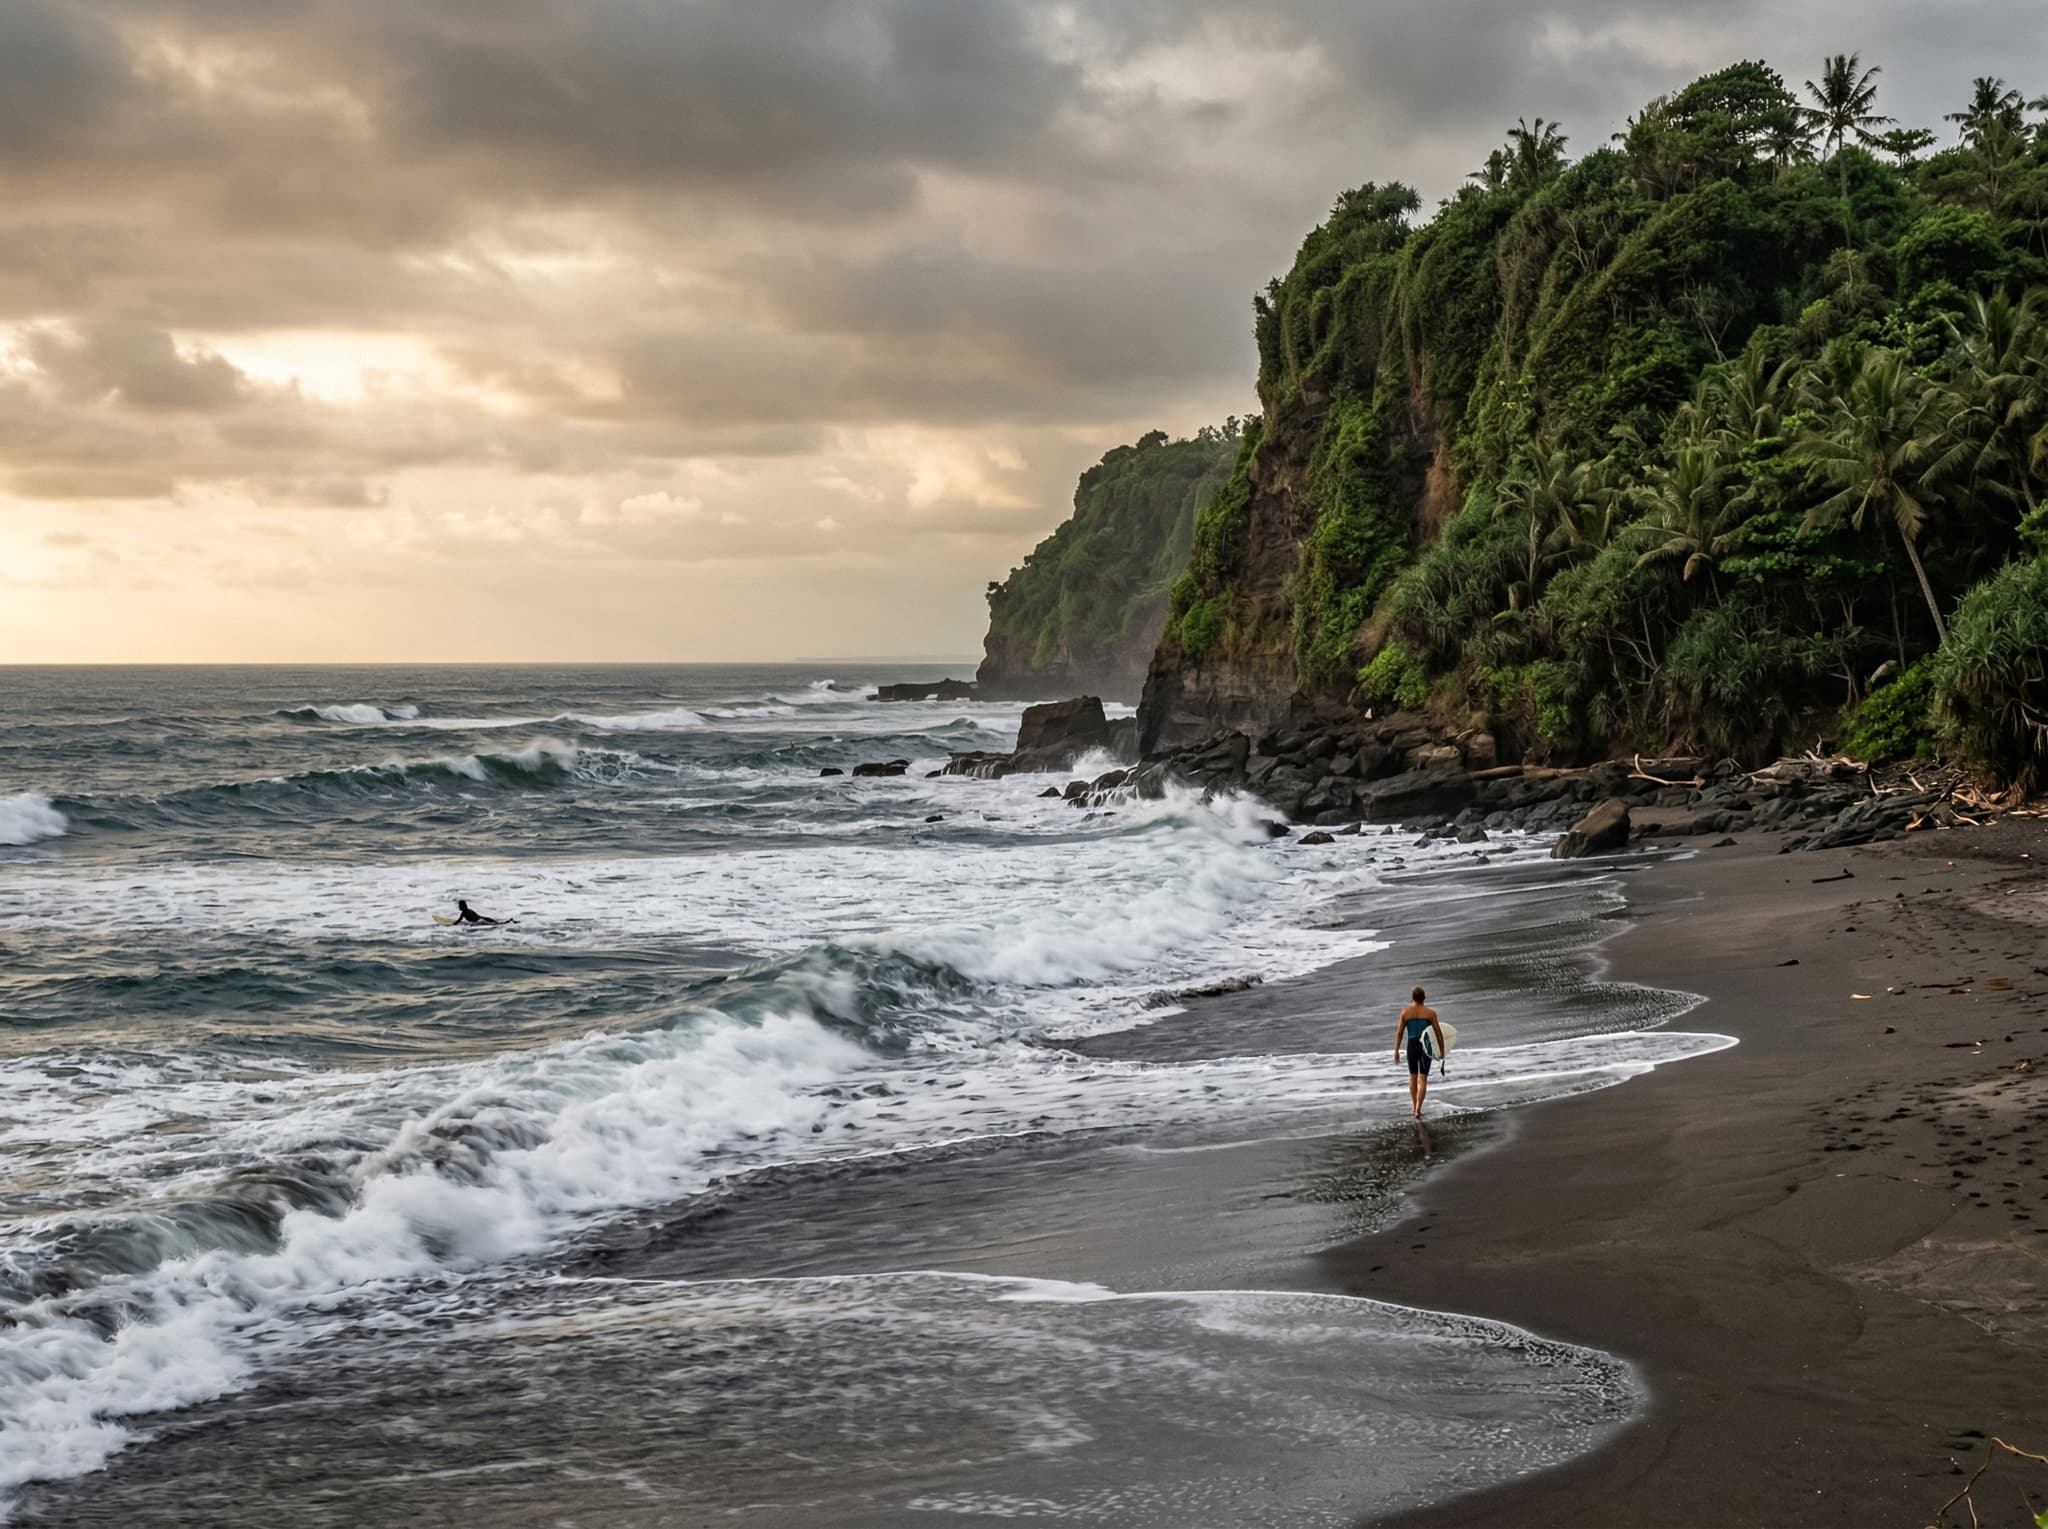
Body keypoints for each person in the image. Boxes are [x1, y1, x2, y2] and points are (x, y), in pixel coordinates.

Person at [1393, 985, 1447, 1120]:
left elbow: (1399, 1033)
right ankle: (1418, 1109)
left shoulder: (1405, 1013)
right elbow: (1438, 1033)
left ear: (1412, 998)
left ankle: (1413, 1106)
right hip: (1425, 1047)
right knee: (1422, 1079)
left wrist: (1396, 1051)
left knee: (1412, 1077)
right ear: (1424, 998)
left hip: (1411, 1046)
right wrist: (1442, 1050)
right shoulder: (1430, 1013)